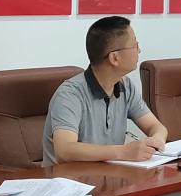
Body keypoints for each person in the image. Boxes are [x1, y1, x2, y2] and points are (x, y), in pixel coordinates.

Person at [43, 15, 168, 164]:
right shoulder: (70, 95)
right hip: (69, 177)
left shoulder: (125, 86)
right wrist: (124, 152)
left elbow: (155, 126)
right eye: (135, 45)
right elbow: (65, 150)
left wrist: (157, 139)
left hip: (109, 174)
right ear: (114, 58)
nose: (139, 50)